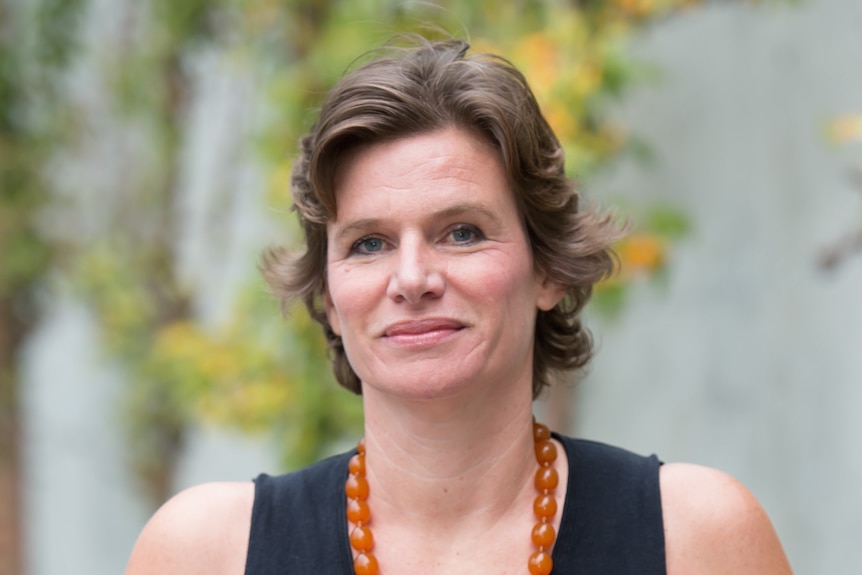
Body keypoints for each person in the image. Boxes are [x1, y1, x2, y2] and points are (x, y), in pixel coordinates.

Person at [126, 37, 792, 574]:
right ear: (329, 296)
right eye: (369, 243)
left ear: (548, 270)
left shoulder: (697, 539)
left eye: (463, 232)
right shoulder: (205, 553)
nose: (412, 277)